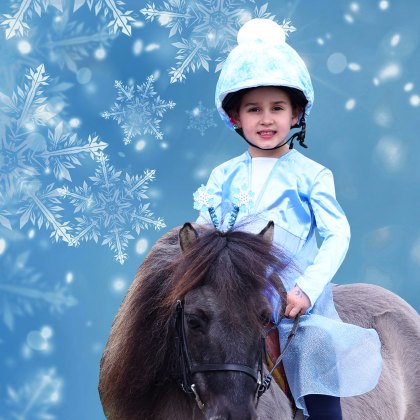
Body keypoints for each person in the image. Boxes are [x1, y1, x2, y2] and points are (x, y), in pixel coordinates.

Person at [194, 18, 382, 419]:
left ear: (296, 114)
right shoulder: (222, 177)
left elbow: (337, 235)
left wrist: (307, 290)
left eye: (277, 108)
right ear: (235, 118)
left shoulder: (311, 176)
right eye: (253, 109)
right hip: (236, 303)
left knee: (316, 373)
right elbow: (204, 239)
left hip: (294, 308)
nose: (266, 119)